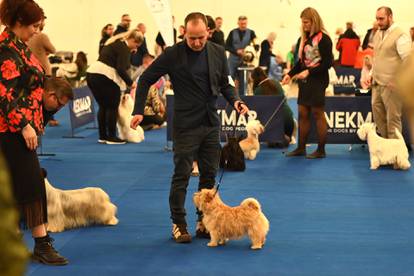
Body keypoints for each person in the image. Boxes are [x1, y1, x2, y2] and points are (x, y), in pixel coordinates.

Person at [130, 12, 249, 243]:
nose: (196, 42)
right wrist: (137, 110)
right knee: (182, 176)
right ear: (184, 32)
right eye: (192, 38)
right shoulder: (173, 54)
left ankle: (203, 222)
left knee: (209, 175)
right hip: (185, 125)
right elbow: (145, 79)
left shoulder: (217, 51)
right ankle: (179, 224)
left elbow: (225, 83)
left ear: (208, 33)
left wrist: (236, 101)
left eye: (201, 38)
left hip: (211, 123)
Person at [0, 1, 73, 266]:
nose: (36, 31)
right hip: (10, 130)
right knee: (31, 184)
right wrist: (24, 125)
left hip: (17, 127)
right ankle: (41, 244)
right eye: (33, 26)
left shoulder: (18, 46)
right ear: (18, 22)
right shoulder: (6, 50)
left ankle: (33, 242)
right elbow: (3, 94)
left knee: (23, 185)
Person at [281, 7, 333, 159]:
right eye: (302, 23)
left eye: (306, 22)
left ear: (314, 21)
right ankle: (301, 148)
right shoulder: (304, 39)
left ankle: (321, 150)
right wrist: (290, 74)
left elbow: (328, 63)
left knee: (318, 114)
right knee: (302, 114)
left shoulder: (324, 39)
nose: (304, 25)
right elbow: (301, 63)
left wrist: (309, 72)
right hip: (305, 81)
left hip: (318, 80)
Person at [87, 30, 143, 145]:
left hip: (92, 74)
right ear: (133, 40)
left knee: (103, 106)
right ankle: (112, 137)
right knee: (112, 107)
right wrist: (131, 83)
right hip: (105, 77)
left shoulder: (115, 44)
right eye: (136, 45)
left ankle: (103, 136)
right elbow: (121, 68)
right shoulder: (124, 49)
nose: (136, 49)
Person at [363, 6, 411, 139]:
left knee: (393, 121)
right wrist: (371, 74)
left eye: (381, 19)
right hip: (376, 84)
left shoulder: (401, 35)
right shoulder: (378, 33)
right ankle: (385, 150)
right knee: (379, 120)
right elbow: (378, 57)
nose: (379, 22)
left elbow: (407, 61)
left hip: (392, 85)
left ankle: (396, 155)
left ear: (390, 17)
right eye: (377, 19)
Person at [251, 67, 294, 147]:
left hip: (274, 122)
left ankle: (277, 137)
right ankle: (284, 137)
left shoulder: (258, 90)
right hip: (289, 119)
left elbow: (258, 111)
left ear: (255, 79)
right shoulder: (276, 83)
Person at [225, 15, 259, 94]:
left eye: (245, 24)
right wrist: (236, 51)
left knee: (243, 81)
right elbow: (226, 46)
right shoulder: (232, 32)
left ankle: (242, 99)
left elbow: (256, 45)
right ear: (238, 23)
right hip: (232, 61)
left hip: (245, 61)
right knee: (229, 80)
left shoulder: (251, 33)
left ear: (247, 23)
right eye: (241, 24)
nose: (243, 25)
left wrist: (251, 51)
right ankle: (227, 97)